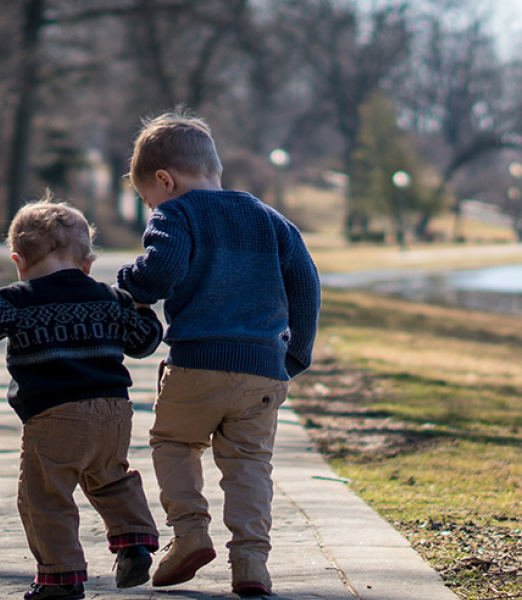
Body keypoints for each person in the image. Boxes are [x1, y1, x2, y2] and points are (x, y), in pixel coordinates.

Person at [0, 198, 163, 600]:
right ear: (87, 263)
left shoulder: (17, 299)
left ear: (18, 261)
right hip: (114, 412)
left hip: (55, 415)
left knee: (45, 497)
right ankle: (134, 542)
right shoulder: (109, 298)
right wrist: (141, 307)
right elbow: (143, 344)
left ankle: (61, 578)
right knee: (111, 477)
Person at [116, 110, 320, 596]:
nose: (151, 207)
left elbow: (159, 272)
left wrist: (128, 283)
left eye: (148, 199)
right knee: (250, 464)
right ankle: (251, 562)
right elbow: (306, 283)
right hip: (263, 371)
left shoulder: (177, 214)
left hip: (197, 364)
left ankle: (190, 533)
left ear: (165, 180)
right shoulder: (269, 218)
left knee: (173, 443)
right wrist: (296, 354)